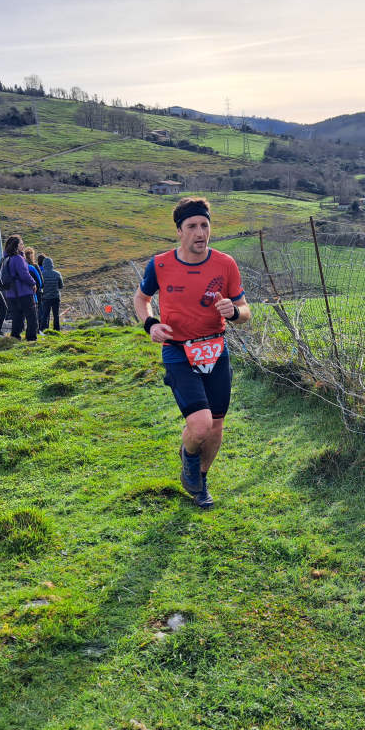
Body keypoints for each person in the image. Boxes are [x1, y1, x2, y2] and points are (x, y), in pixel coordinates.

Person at [132, 197, 251, 509]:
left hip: (216, 348)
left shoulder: (225, 264)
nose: (200, 232)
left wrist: (235, 312)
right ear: (179, 232)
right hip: (178, 351)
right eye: (193, 226)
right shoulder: (160, 264)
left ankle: (199, 479)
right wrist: (150, 324)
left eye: (205, 225)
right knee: (200, 426)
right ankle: (188, 454)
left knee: (217, 425)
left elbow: (246, 310)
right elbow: (141, 298)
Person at [0, 235, 38, 341]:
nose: (23, 246)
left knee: (17, 316)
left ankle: (15, 337)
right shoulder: (18, 259)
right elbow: (24, 275)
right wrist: (33, 283)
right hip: (23, 292)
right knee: (31, 316)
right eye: (21, 244)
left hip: (11, 293)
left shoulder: (6, 259)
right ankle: (31, 338)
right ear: (16, 246)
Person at [37, 254, 64, 331]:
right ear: (52, 264)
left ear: (44, 264)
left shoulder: (42, 274)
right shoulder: (57, 274)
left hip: (46, 298)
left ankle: (44, 329)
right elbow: (61, 286)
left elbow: (40, 286)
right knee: (56, 315)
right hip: (56, 297)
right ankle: (56, 329)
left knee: (45, 315)